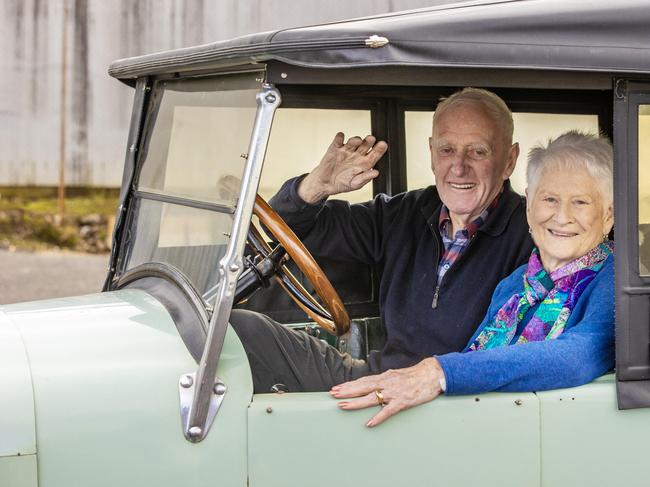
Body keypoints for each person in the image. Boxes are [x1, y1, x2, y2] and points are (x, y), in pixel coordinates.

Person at [230, 88, 533, 395]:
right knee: (240, 331)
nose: (458, 167)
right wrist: (317, 185)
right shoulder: (404, 213)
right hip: (380, 378)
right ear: (431, 151)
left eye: (478, 151)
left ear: (509, 160)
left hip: (456, 398)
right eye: (447, 150)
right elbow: (287, 228)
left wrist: (444, 379)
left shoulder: (534, 234)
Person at [332, 131, 615, 427]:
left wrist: (438, 372)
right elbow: (475, 356)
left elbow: (578, 355)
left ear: (608, 215)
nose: (561, 216)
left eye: (580, 202)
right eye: (550, 199)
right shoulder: (516, 284)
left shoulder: (615, 279)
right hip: (485, 428)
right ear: (529, 206)